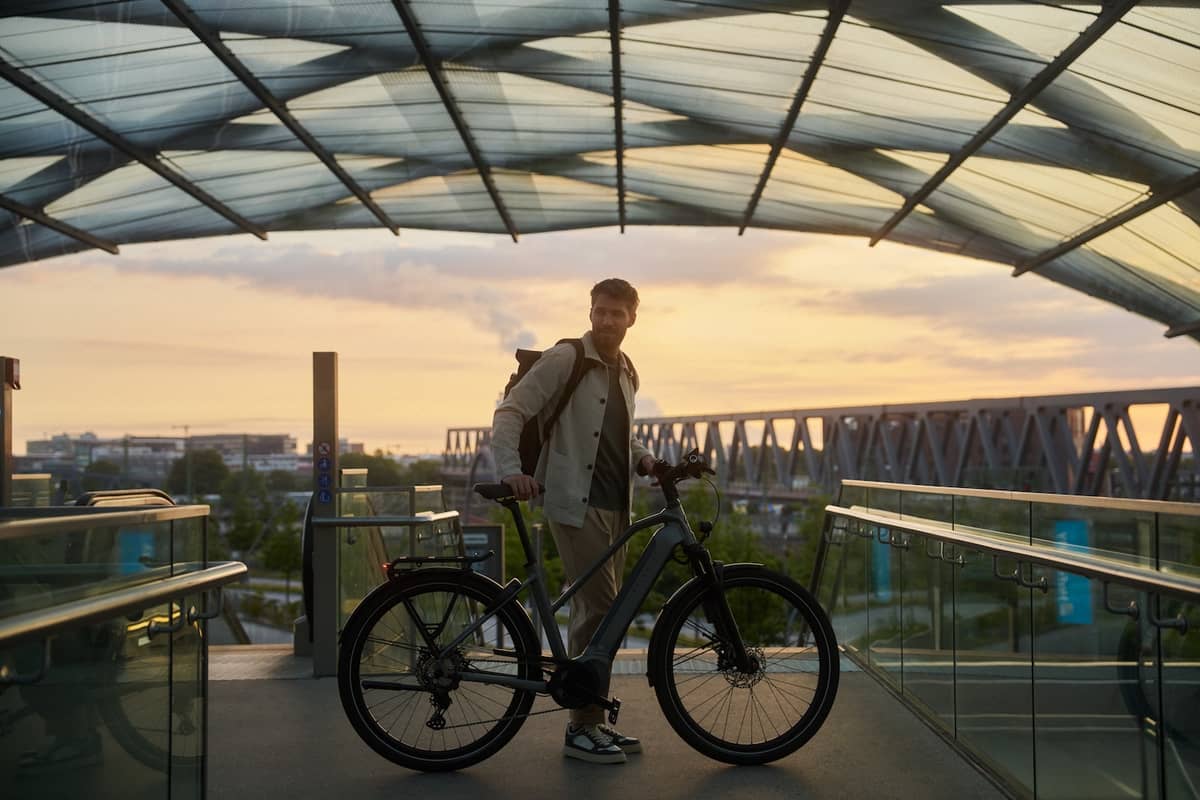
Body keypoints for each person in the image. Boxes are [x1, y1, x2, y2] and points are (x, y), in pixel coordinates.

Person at [491, 277, 657, 765]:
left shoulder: (627, 370)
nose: (607, 320)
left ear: (632, 318)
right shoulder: (567, 358)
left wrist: (647, 460)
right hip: (572, 503)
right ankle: (581, 726)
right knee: (602, 610)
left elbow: (620, 438)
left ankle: (594, 720)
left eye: (616, 313)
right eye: (599, 311)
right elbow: (511, 411)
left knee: (600, 616)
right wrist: (511, 472)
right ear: (590, 313)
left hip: (616, 508)